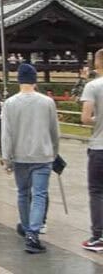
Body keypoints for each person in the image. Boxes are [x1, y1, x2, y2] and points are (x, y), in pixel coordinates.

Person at [2, 63, 59, 254]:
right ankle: (33, 232)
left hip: (19, 155)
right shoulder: (47, 102)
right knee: (40, 194)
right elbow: (54, 131)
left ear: (19, 80)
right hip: (42, 154)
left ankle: (26, 227)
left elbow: (6, 134)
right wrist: (54, 151)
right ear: (35, 80)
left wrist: (6, 157)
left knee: (22, 193)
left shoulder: (9, 103)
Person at [80, 49, 103, 252]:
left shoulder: (92, 86)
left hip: (99, 146)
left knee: (97, 191)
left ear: (98, 63)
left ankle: (99, 236)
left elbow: (86, 118)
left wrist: (98, 120)